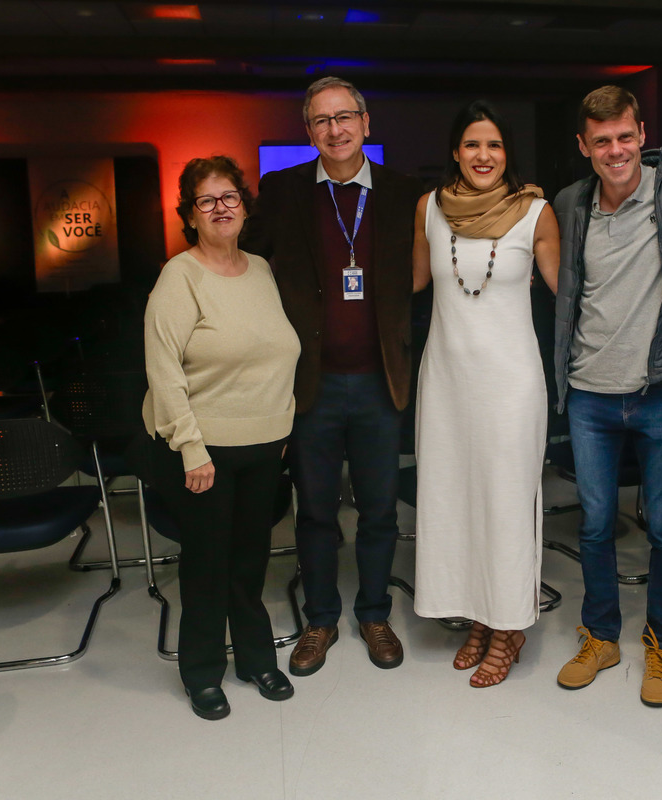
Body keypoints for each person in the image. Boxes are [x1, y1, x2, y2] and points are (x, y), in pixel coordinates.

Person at [551, 86, 662, 707]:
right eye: (602, 141)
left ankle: (661, 642)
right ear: (583, 146)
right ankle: (600, 636)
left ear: (641, 134)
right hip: (591, 393)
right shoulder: (571, 204)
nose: (615, 150)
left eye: (625, 136)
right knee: (595, 526)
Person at [246, 77, 422, 677]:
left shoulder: (404, 193)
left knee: (378, 510)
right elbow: (240, 257)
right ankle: (320, 618)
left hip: (380, 382)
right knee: (315, 510)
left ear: (367, 124)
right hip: (311, 386)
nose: (335, 129)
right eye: (322, 121)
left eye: (345, 117)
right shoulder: (282, 191)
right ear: (308, 131)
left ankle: (374, 613)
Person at [142, 155, 300, 720]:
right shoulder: (178, 276)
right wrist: (190, 447)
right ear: (189, 214)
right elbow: (163, 370)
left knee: (251, 561)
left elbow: (277, 352)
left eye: (229, 197)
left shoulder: (260, 269)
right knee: (208, 566)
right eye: (206, 201)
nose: (220, 209)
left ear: (244, 205)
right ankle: (202, 671)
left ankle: (256, 658)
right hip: (202, 453)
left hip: (263, 446)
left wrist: (283, 420)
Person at [411, 100, 559, 687]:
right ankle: (479, 614)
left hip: (510, 385)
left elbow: (569, 291)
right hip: (446, 381)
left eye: (494, 145)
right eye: (473, 144)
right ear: (455, 151)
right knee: (454, 500)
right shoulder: (428, 211)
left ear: (507, 154)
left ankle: (510, 626)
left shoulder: (535, 212)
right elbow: (405, 284)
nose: (483, 156)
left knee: (505, 501)